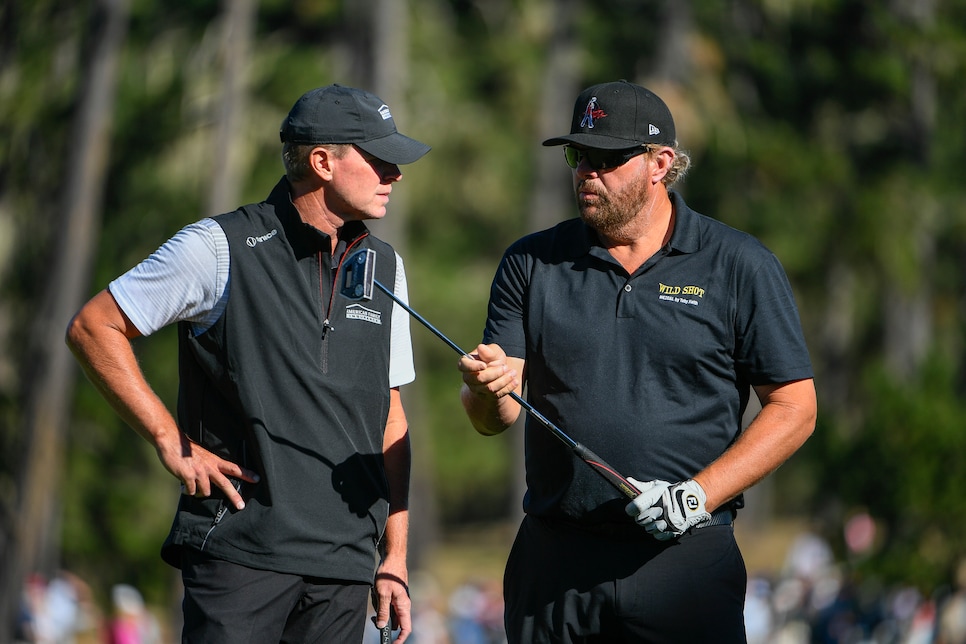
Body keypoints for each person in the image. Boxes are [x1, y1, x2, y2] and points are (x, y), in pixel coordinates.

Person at [66, 83, 429, 643]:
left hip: (344, 567)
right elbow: (95, 327)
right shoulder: (218, 246)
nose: (395, 176)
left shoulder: (386, 266)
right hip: (242, 555)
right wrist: (169, 438)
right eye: (380, 161)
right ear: (322, 162)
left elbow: (391, 418)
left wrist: (395, 556)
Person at [458, 79, 817, 643]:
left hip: (684, 559)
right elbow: (493, 418)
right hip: (556, 562)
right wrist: (484, 391)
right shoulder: (531, 261)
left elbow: (795, 407)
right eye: (578, 156)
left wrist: (697, 495)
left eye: (606, 158)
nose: (586, 173)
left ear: (660, 163)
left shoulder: (738, 264)